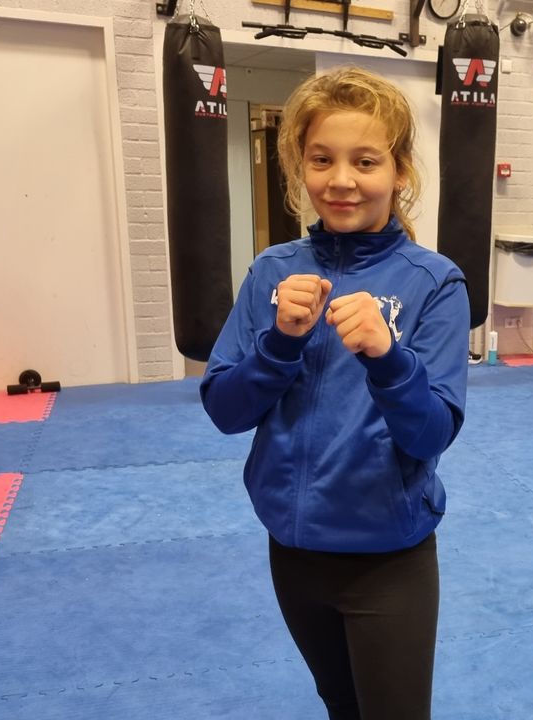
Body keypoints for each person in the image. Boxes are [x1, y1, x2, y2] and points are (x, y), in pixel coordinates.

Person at [199, 66, 469, 719]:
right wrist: (281, 343)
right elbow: (225, 410)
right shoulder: (272, 272)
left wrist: (387, 356)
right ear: (300, 166)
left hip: (388, 556)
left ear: (400, 170)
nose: (342, 179)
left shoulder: (434, 282)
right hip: (293, 550)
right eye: (322, 159)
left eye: (366, 160)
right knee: (340, 705)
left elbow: (432, 434)